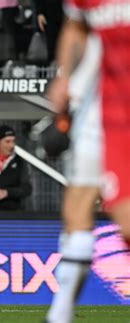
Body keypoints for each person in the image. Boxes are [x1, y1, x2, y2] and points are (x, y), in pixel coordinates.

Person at [46, 4, 130, 322]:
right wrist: (64, 78)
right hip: (100, 112)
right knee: (77, 206)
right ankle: (60, 313)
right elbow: (75, 27)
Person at [45, 32, 104, 323]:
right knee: (76, 214)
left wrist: (65, 81)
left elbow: (73, 30)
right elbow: (73, 29)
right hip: (94, 117)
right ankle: (60, 313)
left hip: (101, 115)